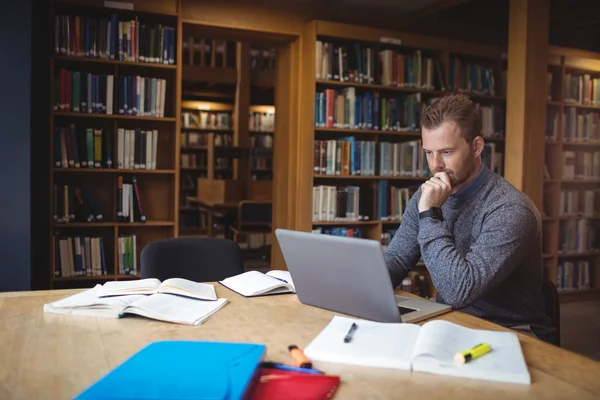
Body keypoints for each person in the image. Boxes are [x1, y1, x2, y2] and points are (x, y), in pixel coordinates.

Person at [383, 93, 555, 344]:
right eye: (429, 153)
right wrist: (357, 286)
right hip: (451, 322)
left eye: (447, 152)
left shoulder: (511, 209)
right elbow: (397, 259)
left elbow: (460, 291)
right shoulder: (427, 195)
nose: (435, 165)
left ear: (476, 146)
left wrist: (430, 215)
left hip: (511, 333)